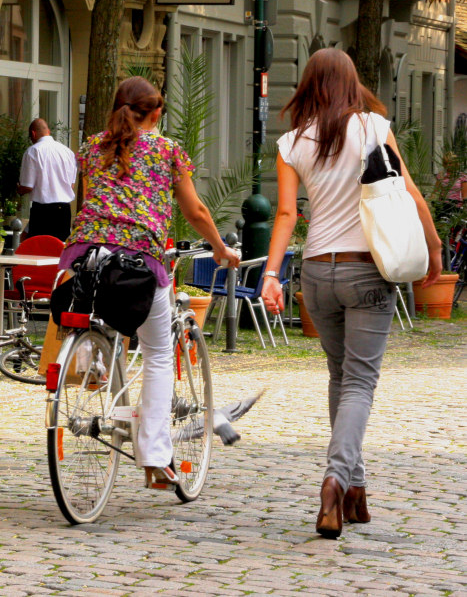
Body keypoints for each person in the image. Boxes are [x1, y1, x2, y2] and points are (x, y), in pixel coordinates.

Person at [261, 49, 442, 539]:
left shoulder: (292, 142)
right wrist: (433, 242)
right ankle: (335, 482)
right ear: (351, 83)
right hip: (367, 272)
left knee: (341, 378)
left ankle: (355, 492)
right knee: (360, 382)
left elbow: (285, 215)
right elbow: (407, 192)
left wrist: (271, 275)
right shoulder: (373, 127)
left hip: (318, 273)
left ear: (309, 85)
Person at [57, 76, 239, 488]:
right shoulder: (166, 150)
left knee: (101, 315)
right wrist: (220, 249)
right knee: (158, 353)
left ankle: (95, 359)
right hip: (139, 261)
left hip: (85, 257)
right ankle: (154, 456)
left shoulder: (90, 148)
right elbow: (195, 210)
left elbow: (89, 203)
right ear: (156, 114)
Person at [17, 118, 77, 241]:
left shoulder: (33, 151)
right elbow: (71, 185)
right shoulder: (68, 153)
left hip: (42, 211)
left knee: (37, 250)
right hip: (64, 210)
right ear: (48, 131)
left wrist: (19, 189)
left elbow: (28, 185)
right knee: (58, 252)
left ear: (33, 134)